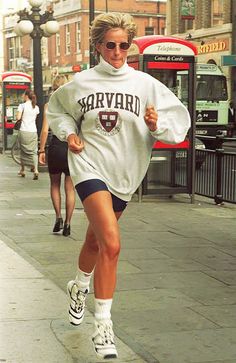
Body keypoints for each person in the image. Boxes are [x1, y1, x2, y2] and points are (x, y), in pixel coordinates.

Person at [47, 12, 190, 359]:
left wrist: (156, 125)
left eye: (123, 45)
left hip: (125, 173)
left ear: (130, 46)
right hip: (88, 166)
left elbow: (177, 124)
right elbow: (57, 111)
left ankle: (79, 286)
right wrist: (70, 135)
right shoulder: (81, 83)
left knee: (96, 240)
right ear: (98, 46)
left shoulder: (146, 85)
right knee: (111, 243)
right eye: (110, 45)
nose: (117, 51)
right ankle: (104, 326)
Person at [39, 75, 75, 237]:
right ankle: (68, 224)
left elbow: (45, 130)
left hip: (55, 148)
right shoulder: (73, 106)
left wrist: (41, 150)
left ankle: (58, 218)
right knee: (70, 188)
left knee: (54, 185)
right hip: (71, 148)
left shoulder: (49, 105)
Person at [16, 89, 40, 180]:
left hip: (24, 130)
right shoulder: (36, 107)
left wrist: (20, 116)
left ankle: (22, 170)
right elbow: (35, 119)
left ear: (26, 96)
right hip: (33, 131)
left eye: (23, 95)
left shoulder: (22, 106)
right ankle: (36, 170)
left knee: (23, 151)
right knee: (34, 151)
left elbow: (18, 118)